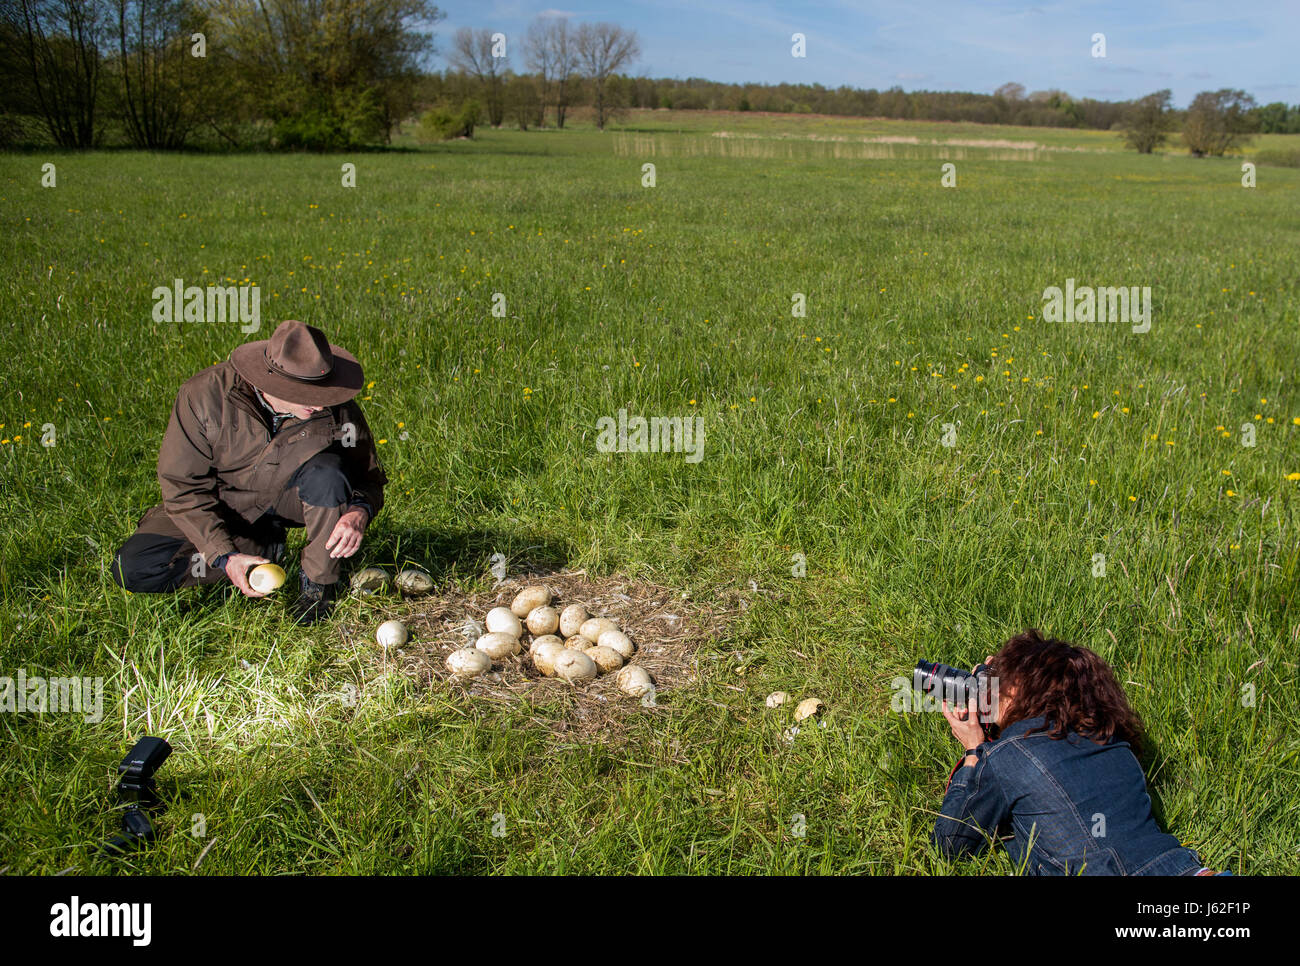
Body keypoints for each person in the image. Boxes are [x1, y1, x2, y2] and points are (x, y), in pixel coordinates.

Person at [111, 320, 386, 625]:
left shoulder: (336, 407)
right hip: (220, 503)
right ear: (274, 383)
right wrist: (224, 557)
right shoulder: (203, 396)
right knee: (133, 566)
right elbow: (182, 488)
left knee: (329, 474)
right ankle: (257, 551)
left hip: (290, 498)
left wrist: (359, 511)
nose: (321, 405)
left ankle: (318, 585)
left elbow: (369, 478)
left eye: (325, 392)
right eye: (308, 393)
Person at [933, 628, 1217, 875]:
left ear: (1021, 686)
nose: (992, 685)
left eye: (1001, 678)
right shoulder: (1114, 741)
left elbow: (950, 845)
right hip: (1188, 868)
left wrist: (974, 749)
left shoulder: (1008, 755)